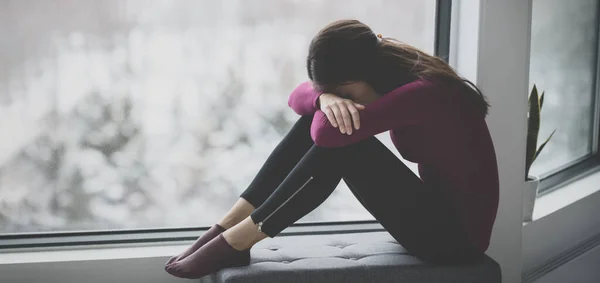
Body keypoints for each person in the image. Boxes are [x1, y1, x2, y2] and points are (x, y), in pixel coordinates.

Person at [164, 19, 499, 279]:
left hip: (454, 242)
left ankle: (238, 240)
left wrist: (326, 106)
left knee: (343, 143)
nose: (346, 103)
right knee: (320, 121)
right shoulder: (390, 72)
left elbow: (326, 137)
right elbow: (298, 98)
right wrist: (325, 98)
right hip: (430, 217)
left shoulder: (424, 92)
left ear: (355, 80)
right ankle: (228, 226)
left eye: (346, 95)